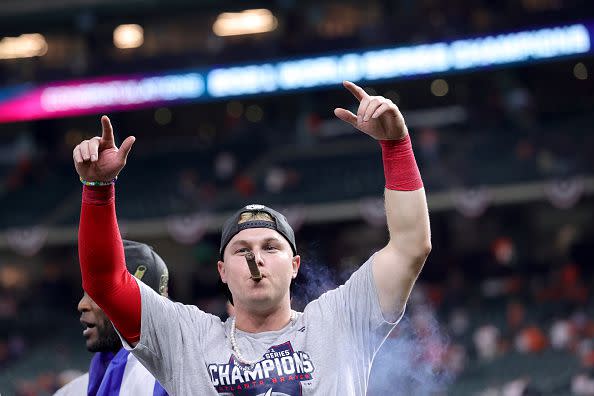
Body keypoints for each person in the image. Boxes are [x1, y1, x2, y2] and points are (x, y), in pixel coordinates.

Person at [72, 80, 431, 395]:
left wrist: (396, 146)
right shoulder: (187, 337)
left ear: (294, 266)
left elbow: (410, 246)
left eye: (270, 247)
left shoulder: (337, 322)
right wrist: (98, 189)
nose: (254, 258)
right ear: (222, 270)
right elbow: (105, 282)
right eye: (240, 249)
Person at [54, 240, 169, 396]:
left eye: (98, 293)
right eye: (85, 292)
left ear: (137, 302)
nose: (82, 305)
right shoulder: (71, 392)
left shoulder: (179, 384)